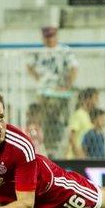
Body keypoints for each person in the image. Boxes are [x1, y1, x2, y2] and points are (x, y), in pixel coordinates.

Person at [26, 26, 79, 158]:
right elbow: (29, 65)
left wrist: (68, 85)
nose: (50, 40)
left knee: (61, 121)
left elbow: (74, 67)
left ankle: (58, 146)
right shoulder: (39, 51)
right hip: (45, 91)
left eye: (52, 36)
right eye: (47, 37)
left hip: (60, 92)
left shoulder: (64, 50)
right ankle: (49, 147)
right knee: (45, 120)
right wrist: (39, 79)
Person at [66, 88, 98, 159]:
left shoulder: (88, 115)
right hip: (75, 156)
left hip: (84, 154)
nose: (97, 102)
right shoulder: (79, 114)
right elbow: (72, 136)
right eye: (95, 98)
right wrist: (79, 154)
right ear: (88, 99)